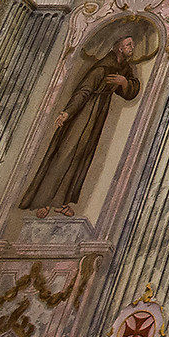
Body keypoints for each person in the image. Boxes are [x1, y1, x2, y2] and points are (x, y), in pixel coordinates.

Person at [21, 33, 145, 210]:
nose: (132, 48)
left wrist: (124, 83)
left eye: (132, 45)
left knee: (81, 157)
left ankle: (61, 203)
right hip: (84, 112)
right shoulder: (102, 68)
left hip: (98, 114)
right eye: (129, 45)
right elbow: (83, 91)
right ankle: (43, 202)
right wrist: (67, 113)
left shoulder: (123, 69)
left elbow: (130, 91)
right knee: (65, 153)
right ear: (119, 47)